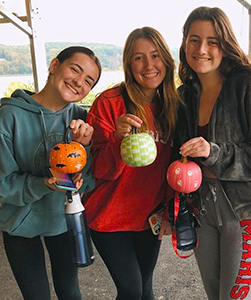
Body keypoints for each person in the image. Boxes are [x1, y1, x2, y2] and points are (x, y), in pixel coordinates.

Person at [175, 6, 251, 300]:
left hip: (247, 209)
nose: (202, 49)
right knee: (216, 295)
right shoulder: (186, 94)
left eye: (212, 41)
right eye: (194, 39)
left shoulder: (247, 85)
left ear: (225, 44)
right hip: (203, 209)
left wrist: (214, 152)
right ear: (184, 42)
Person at [82, 27, 180, 300]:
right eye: (138, 58)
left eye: (155, 55)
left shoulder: (173, 106)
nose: (149, 65)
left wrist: (170, 209)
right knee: (131, 290)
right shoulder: (109, 103)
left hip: (149, 215)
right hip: (108, 216)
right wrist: (117, 140)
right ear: (128, 64)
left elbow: (174, 164)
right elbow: (96, 169)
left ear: (167, 61)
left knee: (144, 288)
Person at [0, 46, 102, 300]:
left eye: (88, 81)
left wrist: (85, 149)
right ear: (54, 65)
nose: (78, 82)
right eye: (74, 70)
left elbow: (88, 179)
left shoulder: (83, 119)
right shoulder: (9, 116)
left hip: (63, 221)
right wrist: (45, 183)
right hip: (19, 223)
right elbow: (3, 183)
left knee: (70, 291)